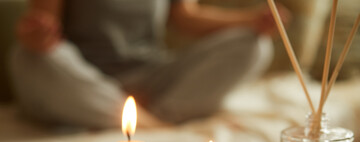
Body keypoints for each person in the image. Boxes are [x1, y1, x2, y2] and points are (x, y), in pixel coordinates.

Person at [10, 0, 290, 129]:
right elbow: (42, 25)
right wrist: (36, 35)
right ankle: (150, 123)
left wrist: (253, 21)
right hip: (81, 77)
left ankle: (136, 115)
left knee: (253, 45)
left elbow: (186, 16)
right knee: (28, 58)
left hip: (150, 77)